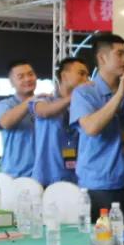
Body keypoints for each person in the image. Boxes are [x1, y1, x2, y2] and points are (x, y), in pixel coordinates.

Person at [70, 33, 124, 220]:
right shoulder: (85, 93)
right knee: (103, 237)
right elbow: (91, 128)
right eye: (119, 54)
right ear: (102, 58)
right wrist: (119, 95)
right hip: (99, 185)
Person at [31, 57, 90, 187]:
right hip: (47, 177)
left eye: (87, 75)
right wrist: (74, 96)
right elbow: (44, 111)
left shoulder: (84, 105)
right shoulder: (44, 100)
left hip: (78, 178)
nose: (86, 79)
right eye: (81, 74)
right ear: (64, 76)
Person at [0, 60, 37, 177]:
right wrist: (30, 101)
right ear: (11, 82)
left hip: (44, 174)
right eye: (21, 77)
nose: (28, 79)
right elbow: (5, 123)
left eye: (30, 74)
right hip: (16, 174)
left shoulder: (45, 103)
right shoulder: (5, 105)